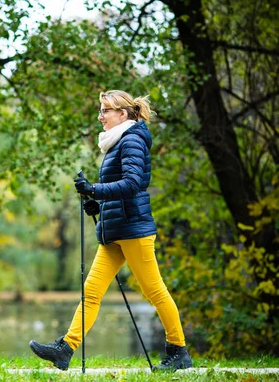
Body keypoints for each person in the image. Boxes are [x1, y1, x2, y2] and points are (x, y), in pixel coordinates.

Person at [29, 90, 193, 372]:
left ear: (123, 114)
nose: (100, 116)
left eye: (105, 110)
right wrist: (99, 206)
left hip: (134, 230)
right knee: (91, 293)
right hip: (115, 231)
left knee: (155, 292)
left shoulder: (132, 140)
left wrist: (95, 190)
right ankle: (65, 349)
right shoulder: (117, 143)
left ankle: (178, 351)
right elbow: (119, 191)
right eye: (100, 110)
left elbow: (131, 185)